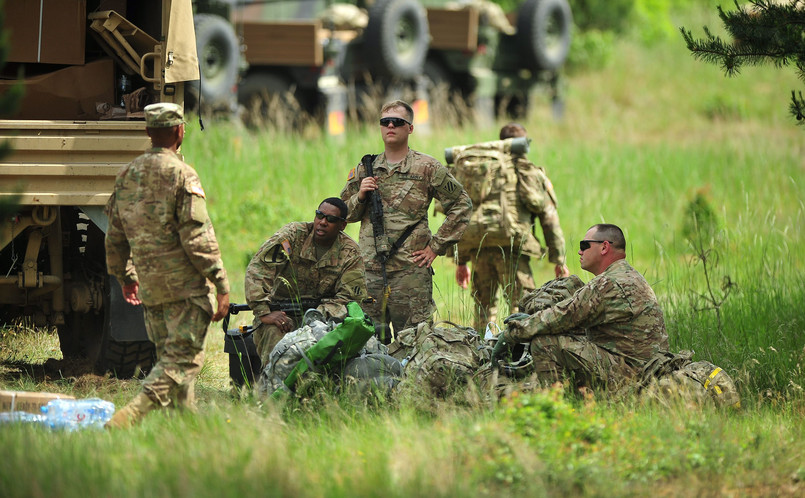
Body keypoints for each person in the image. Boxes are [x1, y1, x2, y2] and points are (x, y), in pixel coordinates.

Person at [104, 103, 230, 428]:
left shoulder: (126, 175)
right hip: (185, 289)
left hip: (151, 290)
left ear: (147, 132)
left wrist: (126, 277)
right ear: (180, 131)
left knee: (170, 366)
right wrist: (221, 283)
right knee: (181, 362)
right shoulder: (182, 174)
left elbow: (114, 237)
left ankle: (186, 433)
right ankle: (128, 416)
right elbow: (196, 237)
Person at [340, 100, 471, 338]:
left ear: (410, 128)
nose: (391, 126)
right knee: (367, 339)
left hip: (410, 272)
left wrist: (436, 246)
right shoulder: (365, 168)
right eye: (385, 122)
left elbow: (462, 204)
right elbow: (343, 214)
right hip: (370, 270)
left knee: (414, 339)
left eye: (398, 122)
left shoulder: (427, 167)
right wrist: (360, 195)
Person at [498, 224, 668, 389]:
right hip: (646, 368)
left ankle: (555, 404)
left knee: (544, 343)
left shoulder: (608, 283)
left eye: (584, 245)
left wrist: (512, 333)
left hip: (632, 375)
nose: (579, 251)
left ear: (604, 247)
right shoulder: (630, 276)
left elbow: (562, 316)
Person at [453, 122, 570, 331]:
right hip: (512, 248)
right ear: (523, 144)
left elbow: (460, 213)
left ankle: (482, 351)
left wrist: (461, 261)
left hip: (479, 247)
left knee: (483, 307)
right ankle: (518, 355)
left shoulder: (479, 170)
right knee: (522, 306)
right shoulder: (526, 171)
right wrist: (559, 259)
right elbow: (549, 218)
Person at [245, 197, 368, 368]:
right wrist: (264, 312)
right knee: (276, 342)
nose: (323, 222)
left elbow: (350, 299)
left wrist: (316, 319)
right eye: (319, 215)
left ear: (342, 225)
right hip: (281, 314)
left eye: (331, 219)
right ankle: (275, 389)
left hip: (324, 319)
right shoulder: (294, 235)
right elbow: (259, 269)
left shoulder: (350, 253)